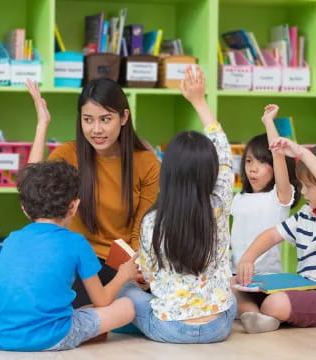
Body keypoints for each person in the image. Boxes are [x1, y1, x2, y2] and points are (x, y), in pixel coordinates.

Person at [118, 66, 236, 344]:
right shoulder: (219, 203)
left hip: (169, 329)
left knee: (124, 292)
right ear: (210, 171)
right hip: (218, 326)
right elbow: (224, 153)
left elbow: (146, 276)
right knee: (230, 295)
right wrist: (199, 101)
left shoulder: (152, 221)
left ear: (167, 170)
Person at [0, 161, 138, 351]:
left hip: (1, 336)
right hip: (53, 336)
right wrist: (123, 275)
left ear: (24, 208)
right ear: (74, 206)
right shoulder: (76, 242)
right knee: (126, 306)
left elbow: (0, 291)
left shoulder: (11, 239)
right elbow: (102, 300)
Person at [26, 78, 160, 306]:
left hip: (117, 265)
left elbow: (142, 230)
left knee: (139, 304)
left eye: (105, 119)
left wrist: (138, 269)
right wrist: (42, 125)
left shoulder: (146, 163)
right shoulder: (68, 154)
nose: (96, 129)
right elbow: (32, 196)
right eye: (88, 120)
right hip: (73, 259)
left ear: (124, 117)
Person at [236, 137, 316, 333]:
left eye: (309, 185)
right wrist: (248, 258)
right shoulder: (304, 215)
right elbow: (271, 235)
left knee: (276, 302)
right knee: (234, 287)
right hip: (306, 289)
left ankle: (268, 314)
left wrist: (303, 153)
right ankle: (258, 317)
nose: (303, 191)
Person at [231, 104, 300, 274]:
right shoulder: (239, 198)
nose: (252, 168)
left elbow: (278, 155)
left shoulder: (278, 197)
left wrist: (268, 121)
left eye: (262, 162)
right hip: (236, 275)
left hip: (268, 278)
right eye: (248, 161)